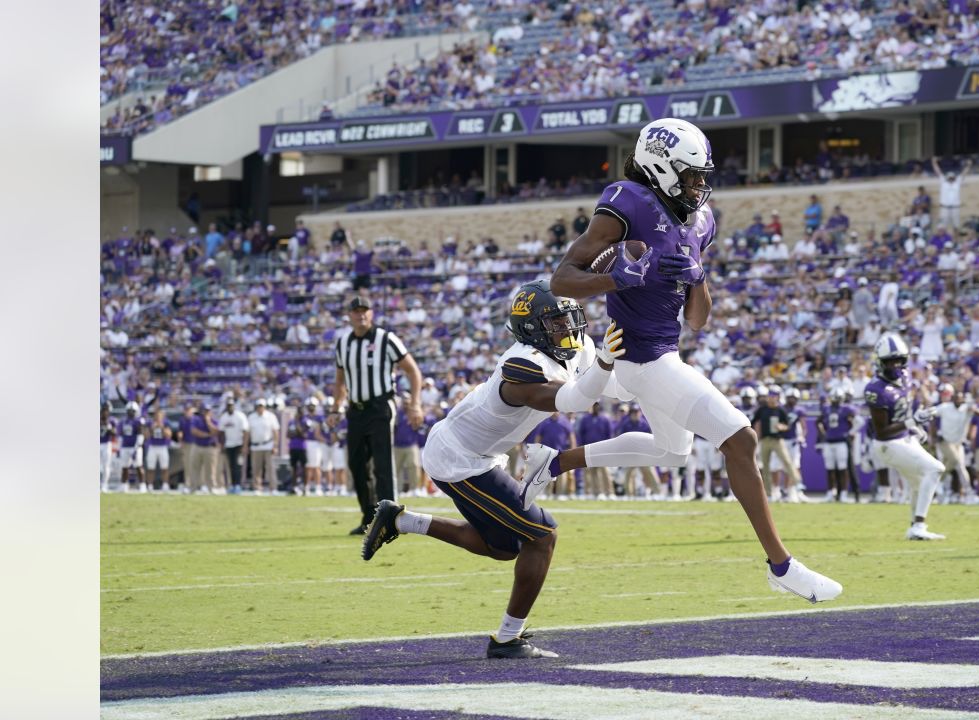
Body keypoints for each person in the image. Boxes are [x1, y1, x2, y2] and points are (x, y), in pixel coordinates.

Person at [539, 117, 842, 602]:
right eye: (691, 173)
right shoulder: (627, 201)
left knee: (672, 453)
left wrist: (698, 277)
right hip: (640, 356)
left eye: (703, 175)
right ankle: (781, 566)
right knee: (741, 440)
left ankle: (554, 464)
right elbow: (562, 279)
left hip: (664, 352)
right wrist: (617, 280)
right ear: (659, 166)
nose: (699, 184)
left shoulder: (699, 221)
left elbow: (698, 319)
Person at [360, 281, 628, 659]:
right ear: (531, 328)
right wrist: (604, 361)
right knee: (543, 535)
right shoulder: (520, 367)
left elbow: (614, 388)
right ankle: (507, 639)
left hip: (484, 455)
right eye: (556, 322)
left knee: (504, 548)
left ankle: (401, 521)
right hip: (460, 457)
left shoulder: (570, 347)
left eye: (569, 320)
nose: (568, 329)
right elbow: (577, 400)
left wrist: (653, 381)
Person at [331, 296, 424, 535]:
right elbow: (340, 380)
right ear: (349, 315)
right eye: (356, 311)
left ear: (371, 314)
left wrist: (415, 404)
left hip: (380, 406)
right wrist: (335, 407)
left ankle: (391, 520)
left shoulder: (386, 339)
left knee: (383, 464)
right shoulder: (343, 344)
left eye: (364, 310)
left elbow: (413, 371)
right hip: (356, 409)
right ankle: (370, 517)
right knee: (356, 464)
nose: (360, 315)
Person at [864, 333, 946, 539]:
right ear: (881, 362)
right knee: (935, 469)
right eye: (891, 361)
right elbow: (882, 431)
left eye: (899, 360)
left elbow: (903, 413)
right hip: (887, 444)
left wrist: (914, 428)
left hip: (903, 437)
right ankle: (918, 526)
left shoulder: (906, 377)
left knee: (919, 481)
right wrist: (913, 422)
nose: (896, 365)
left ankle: (915, 528)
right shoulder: (876, 389)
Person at [753, 389, 803, 502]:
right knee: (765, 466)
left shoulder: (780, 410)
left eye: (773, 396)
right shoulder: (762, 409)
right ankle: (769, 493)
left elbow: (787, 425)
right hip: (765, 440)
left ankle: (798, 483)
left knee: (787, 461)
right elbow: (754, 421)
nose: (771, 398)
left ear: (778, 398)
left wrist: (782, 427)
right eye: (769, 396)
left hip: (778, 440)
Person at [931, 384, 974, 504]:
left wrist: (973, 409)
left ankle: (968, 491)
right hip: (945, 442)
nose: (957, 401)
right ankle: (941, 488)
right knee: (954, 460)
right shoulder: (945, 407)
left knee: (960, 468)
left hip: (958, 443)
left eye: (959, 399)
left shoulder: (966, 408)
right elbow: (933, 412)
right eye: (955, 398)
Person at [816, 392, 858, 503]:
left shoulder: (846, 409)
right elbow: (818, 421)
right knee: (830, 469)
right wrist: (822, 432)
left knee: (842, 469)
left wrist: (851, 432)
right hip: (829, 442)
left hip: (841, 442)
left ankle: (843, 494)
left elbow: (857, 421)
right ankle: (831, 493)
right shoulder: (826, 409)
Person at [247, 398, 280, 494]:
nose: (260, 408)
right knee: (256, 468)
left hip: (268, 445)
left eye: (261, 406)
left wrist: (275, 445)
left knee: (270, 468)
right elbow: (248, 433)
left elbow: (275, 432)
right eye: (258, 406)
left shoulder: (270, 416)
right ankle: (257, 487)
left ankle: (273, 488)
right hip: (255, 445)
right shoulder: (251, 417)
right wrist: (246, 445)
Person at [931, 156, 973, 229]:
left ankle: (955, 240)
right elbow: (938, 172)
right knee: (942, 226)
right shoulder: (943, 182)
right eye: (949, 177)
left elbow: (964, 174)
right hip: (944, 208)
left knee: (956, 226)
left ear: (954, 177)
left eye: (952, 177)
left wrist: (968, 165)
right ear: (947, 177)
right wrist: (934, 163)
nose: (951, 179)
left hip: (955, 208)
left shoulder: (957, 182)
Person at [218, 397, 249, 494]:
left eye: (231, 405)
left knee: (237, 466)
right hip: (229, 444)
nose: (230, 407)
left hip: (238, 444)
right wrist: (222, 445)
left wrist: (244, 446)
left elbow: (245, 431)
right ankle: (231, 485)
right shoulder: (224, 417)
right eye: (228, 406)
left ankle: (238, 485)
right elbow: (221, 432)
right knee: (230, 466)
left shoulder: (240, 416)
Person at [118, 402, 145, 492]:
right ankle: (124, 485)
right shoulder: (123, 421)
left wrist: (136, 448)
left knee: (138, 466)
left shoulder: (138, 421)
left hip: (135, 446)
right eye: (129, 411)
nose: (131, 412)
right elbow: (120, 435)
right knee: (124, 466)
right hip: (125, 446)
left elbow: (140, 435)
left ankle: (142, 485)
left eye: (133, 411)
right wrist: (120, 446)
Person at [144, 408, 172, 492]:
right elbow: (146, 436)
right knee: (150, 468)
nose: (158, 417)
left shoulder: (166, 423)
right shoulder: (150, 423)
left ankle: (165, 485)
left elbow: (169, 435)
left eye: (160, 415)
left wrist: (162, 427)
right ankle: (150, 485)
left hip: (162, 447)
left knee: (165, 467)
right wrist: (152, 428)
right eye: (157, 415)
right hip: (152, 446)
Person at [100, 404, 118, 492]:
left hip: (106, 444)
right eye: (104, 410)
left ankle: (104, 484)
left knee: (106, 465)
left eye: (107, 411)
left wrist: (109, 427)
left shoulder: (112, 420)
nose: (105, 412)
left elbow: (115, 433)